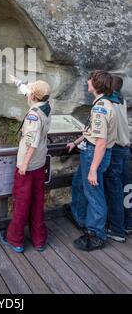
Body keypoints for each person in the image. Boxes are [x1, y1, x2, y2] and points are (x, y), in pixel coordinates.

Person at [64, 70, 117, 251]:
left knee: (94, 194)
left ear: (95, 85)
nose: (87, 83)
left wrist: (93, 168)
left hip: (95, 155)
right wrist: (75, 142)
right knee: (79, 183)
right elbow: (91, 133)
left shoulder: (101, 108)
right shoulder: (104, 104)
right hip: (91, 151)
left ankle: (96, 234)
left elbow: (101, 142)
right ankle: (81, 219)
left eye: (89, 81)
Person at [0, 77, 51, 253]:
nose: (29, 93)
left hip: (28, 167)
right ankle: (39, 240)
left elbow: (32, 143)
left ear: (34, 96)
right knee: (37, 201)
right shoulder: (46, 106)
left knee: (21, 202)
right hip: (40, 164)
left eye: (31, 91)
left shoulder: (33, 116)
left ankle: (15, 239)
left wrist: (23, 166)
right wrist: (17, 82)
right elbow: (30, 92)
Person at [104, 75, 132, 242]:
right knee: (126, 186)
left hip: (114, 149)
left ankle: (116, 229)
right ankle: (128, 224)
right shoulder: (122, 100)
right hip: (125, 149)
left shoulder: (110, 101)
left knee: (114, 190)